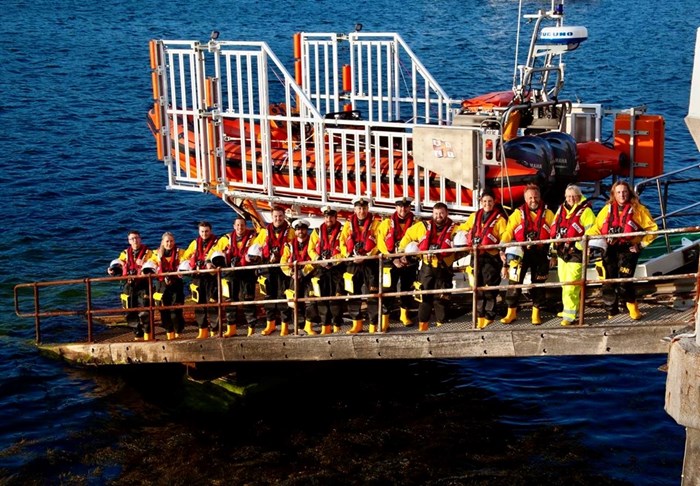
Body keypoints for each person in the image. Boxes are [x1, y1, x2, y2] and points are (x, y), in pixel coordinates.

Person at [588, 180, 657, 320]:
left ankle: (632, 306)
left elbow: (653, 229)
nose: (622, 195)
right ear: (614, 194)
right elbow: (596, 228)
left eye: (624, 192)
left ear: (629, 193)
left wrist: (641, 245)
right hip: (610, 249)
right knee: (608, 282)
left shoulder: (638, 210)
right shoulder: (606, 210)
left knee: (625, 282)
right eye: (618, 192)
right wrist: (589, 244)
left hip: (628, 250)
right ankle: (611, 311)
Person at [500, 184, 556, 325]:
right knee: (514, 282)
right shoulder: (517, 214)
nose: (533, 200)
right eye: (530, 197)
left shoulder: (548, 214)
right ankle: (511, 312)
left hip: (541, 252)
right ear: (525, 198)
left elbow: (555, 235)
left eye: (535, 197)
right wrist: (502, 247)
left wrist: (553, 254)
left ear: (540, 197)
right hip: (521, 252)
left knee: (538, 283)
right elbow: (508, 232)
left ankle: (536, 313)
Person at [398, 202, 457, 331]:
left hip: (444, 268)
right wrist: (401, 253)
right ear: (432, 214)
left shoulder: (455, 229)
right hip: (426, 267)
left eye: (441, 213)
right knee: (424, 298)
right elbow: (407, 237)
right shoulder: (422, 226)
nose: (439, 216)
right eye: (436, 213)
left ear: (446, 213)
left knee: (441, 300)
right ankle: (422, 327)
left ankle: (442, 329)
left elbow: (462, 244)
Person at [455, 188, 508, 329]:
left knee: (490, 289)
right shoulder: (474, 216)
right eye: (484, 201)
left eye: (490, 201)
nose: (487, 204)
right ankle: (479, 316)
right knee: (477, 288)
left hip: (491, 257)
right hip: (476, 257)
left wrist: (503, 252)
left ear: (494, 202)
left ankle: (489, 316)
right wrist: (454, 232)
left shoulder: (500, 220)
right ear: (481, 202)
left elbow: (504, 236)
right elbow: (464, 227)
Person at [550, 184, 596, 326]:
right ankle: (568, 310)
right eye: (569, 196)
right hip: (561, 252)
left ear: (579, 196)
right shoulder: (561, 210)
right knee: (565, 284)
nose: (571, 199)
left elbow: (592, 232)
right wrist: (552, 251)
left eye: (574, 196)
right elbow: (554, 229)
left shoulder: (586, 212)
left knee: (571, 285)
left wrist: (579, 246)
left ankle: (569, 317)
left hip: (576, 253)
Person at [340, 196, 381, 333]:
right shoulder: (347, 224)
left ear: (367, 209)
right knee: (352, 293)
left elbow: (379, 242)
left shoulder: (376, 224)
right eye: (359, 208)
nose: (361, 211)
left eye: (364, 208)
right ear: (354, 209)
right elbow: (342, 242)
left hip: (370, 263)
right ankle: (356, 323)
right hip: (353, 263)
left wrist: (367, 256)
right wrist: (350, 256)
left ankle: (373, 324)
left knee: (373, 294)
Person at [376, 197, 419, 330]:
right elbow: (380, 243)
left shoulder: (416, 223)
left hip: (409, 262)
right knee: (388, 289)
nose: (403, 209)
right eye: (400, 206)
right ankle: (385, 319)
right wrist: (393, 258)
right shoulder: (386, 223)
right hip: (391, 262)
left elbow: (419, 241)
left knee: (407, 289)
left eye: (406, 206)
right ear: (396, 207)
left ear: (409, 208)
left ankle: (404, 315)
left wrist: (407, 258)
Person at [212, 216, 259, 337]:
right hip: (230, 274)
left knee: (248, 300)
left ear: (246, 226)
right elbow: (215, 252)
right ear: (234, 226)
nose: (240, 227)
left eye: (242, 225)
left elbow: (260, 244)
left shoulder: (253, 237)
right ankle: (231, 328)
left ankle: (251, 328)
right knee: (230, 301)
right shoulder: (226, 239)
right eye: (237, 225)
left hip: (247, 272)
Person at [252, 206, 294, 335]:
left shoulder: (290, 231)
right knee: (268, 296)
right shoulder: (264, 232)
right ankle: (270, 324)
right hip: (268, 268)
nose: (278, 219)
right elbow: (256, 247)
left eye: (280, 216)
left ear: (284, 217)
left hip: (283, 269)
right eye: (275, 216)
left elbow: (294, 248)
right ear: (272, 217)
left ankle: (284, 326)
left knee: (283, 296)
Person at [107, 230, 154, 340]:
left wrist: (145, 266)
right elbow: (118, 266)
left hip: (143, 284)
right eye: (132, 239)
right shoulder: (124, 254)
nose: (135, 240)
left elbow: (154, 265)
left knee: (145, 310)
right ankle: (137, 332)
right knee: (129, 310)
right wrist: (112, 271)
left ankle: (148, 333)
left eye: (136, 238)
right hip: (129, 285)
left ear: (140, 239)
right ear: (129, 241)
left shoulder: (149, 253)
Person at [308, 205, 346, 334]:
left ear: (336, 217)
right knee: (321, 298)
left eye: (331, 216)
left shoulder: (343, 230)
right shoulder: (317, 231)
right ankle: (325, 326)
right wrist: (319, 259)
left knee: (337, 297)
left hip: (337, 268)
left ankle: (337, 326)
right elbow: (310, 249)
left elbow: (345, 249)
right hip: (321, 268)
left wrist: (333, 260)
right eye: (326, 216)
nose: (328, 218)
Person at [281, 219, 320, 335]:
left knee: (310, 301)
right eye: (298, 229)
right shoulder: (289, 245)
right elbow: (283, 260)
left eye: (303, 229)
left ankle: (308, 325)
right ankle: (298, 326)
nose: (300, 232)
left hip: (309, 274)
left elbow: (314, 259)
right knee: (294, 302)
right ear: (295, 231)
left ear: (306, 230)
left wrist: (304, 271)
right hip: (294, 276)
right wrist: (290, 273)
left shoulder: (312, 243)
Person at [182, 221, 219, 339]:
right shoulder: (194, 244)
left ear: (211, 231)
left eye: (207, 231)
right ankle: (202, 330)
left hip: (211, 277)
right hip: (198, 278)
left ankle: (214, 330)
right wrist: (192, 261)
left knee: (213, 304)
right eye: (202, 231)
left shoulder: (216, 242)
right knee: (199, 304)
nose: (204, 234)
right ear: (199, 232)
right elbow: (185, 257)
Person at [150, 232, 186, 340]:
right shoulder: (156, 254)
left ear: (174, 242)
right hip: (161, 285)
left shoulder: (180, 252)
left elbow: (185, 261)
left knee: (176, 312)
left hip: (176, 285)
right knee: (164, 311)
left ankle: (178, 331)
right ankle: (169, 333)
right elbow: (151, 265)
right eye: (167, 241)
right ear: (162, 242)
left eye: (171, 241)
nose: (169, 243)